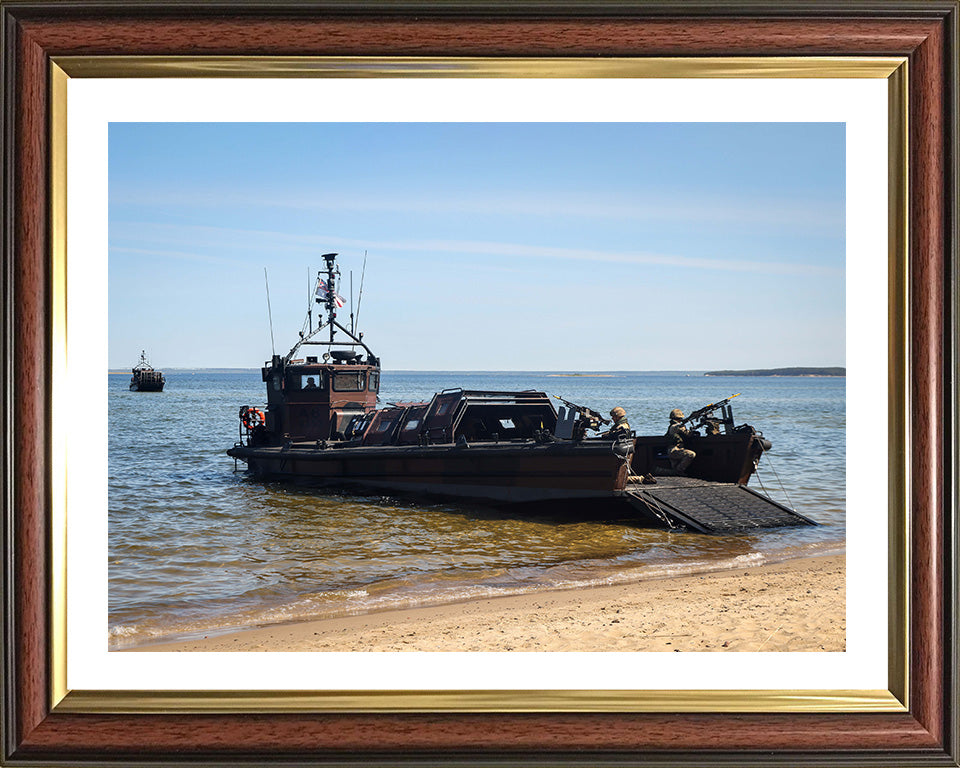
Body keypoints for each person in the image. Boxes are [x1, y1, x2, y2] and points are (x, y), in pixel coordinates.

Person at [666, 408, 696, 473]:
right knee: (691, 454)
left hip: (674, 450)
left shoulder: (673, 426)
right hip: (674, 450)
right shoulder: (676, 426)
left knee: (674, 467)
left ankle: (676, 471)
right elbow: (688, 434)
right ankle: (678, 471)